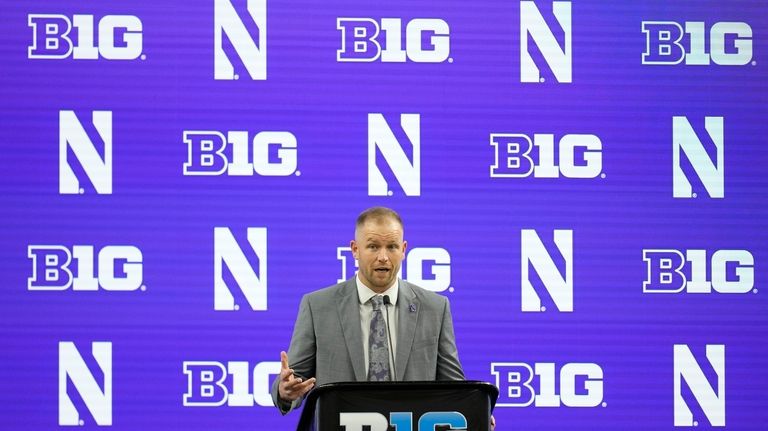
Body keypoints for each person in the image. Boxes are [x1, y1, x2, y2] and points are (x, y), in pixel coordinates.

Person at [271, 206, 464, 414]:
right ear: (355, 249)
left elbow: (455, 388)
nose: (383, 257)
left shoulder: (435, 308)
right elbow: (296, 379)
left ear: (404, 249)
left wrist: (475, 414)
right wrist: (284, 391)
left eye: (392, 247)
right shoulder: (317, 306)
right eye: (373, 247)